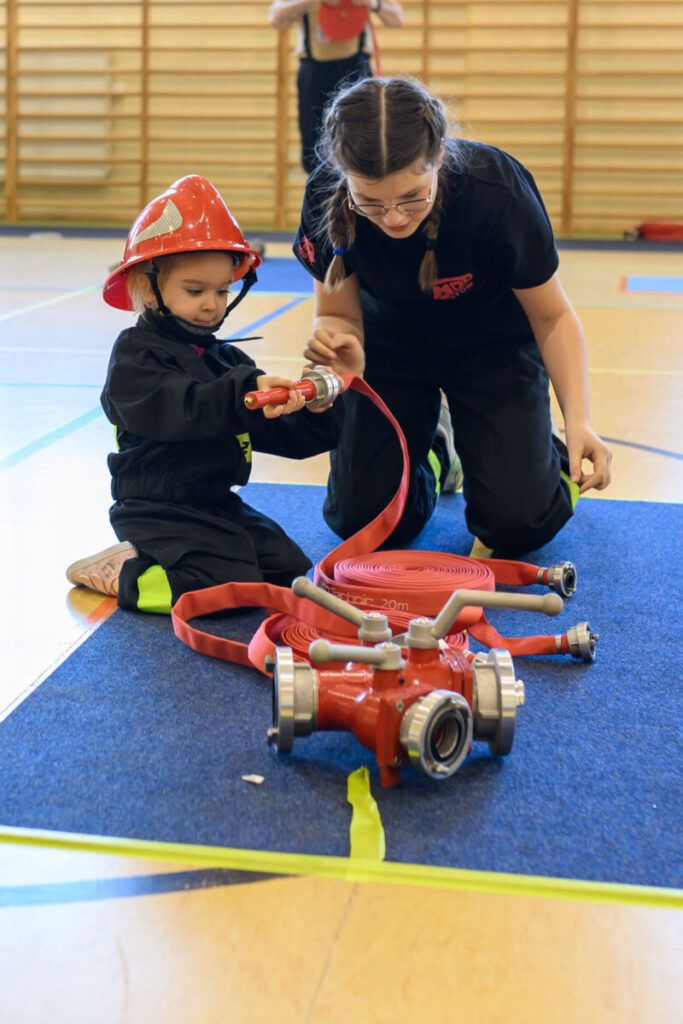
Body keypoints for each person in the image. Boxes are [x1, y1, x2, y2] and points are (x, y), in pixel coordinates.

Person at [292, 75, 612, 558]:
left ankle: (530, 454)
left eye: (412, 196)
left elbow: (552, 318)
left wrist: (580, 421)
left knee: (517, 525)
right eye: (372, 203)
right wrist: (339, 358)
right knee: (364, 523)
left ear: (439, 154)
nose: (395, 217)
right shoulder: (325, 198)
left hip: (492, 348)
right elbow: (336, 313)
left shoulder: (496, 191)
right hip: (389, 350)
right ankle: (437, 453)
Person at [66, 175, 343, 613]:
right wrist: (242, 396)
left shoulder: (227, 361)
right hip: (155, 508)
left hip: (212, 502)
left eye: (221, 291)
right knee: (225, 586)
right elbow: (184, 406)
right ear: (146, 285)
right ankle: (126, 575)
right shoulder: (134, 357)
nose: (212, 304)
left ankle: (190, 560)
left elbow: (278, 433)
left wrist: (318, 410)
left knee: (286, 570)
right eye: (195, 291)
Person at [268, 0, 404, 174]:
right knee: (313, 146)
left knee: (363, 142)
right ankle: (319, 193)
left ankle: (358, 192)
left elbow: (397, 19)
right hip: (314, 71)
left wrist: (371, 3)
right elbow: (276, 18)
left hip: (355, 70)